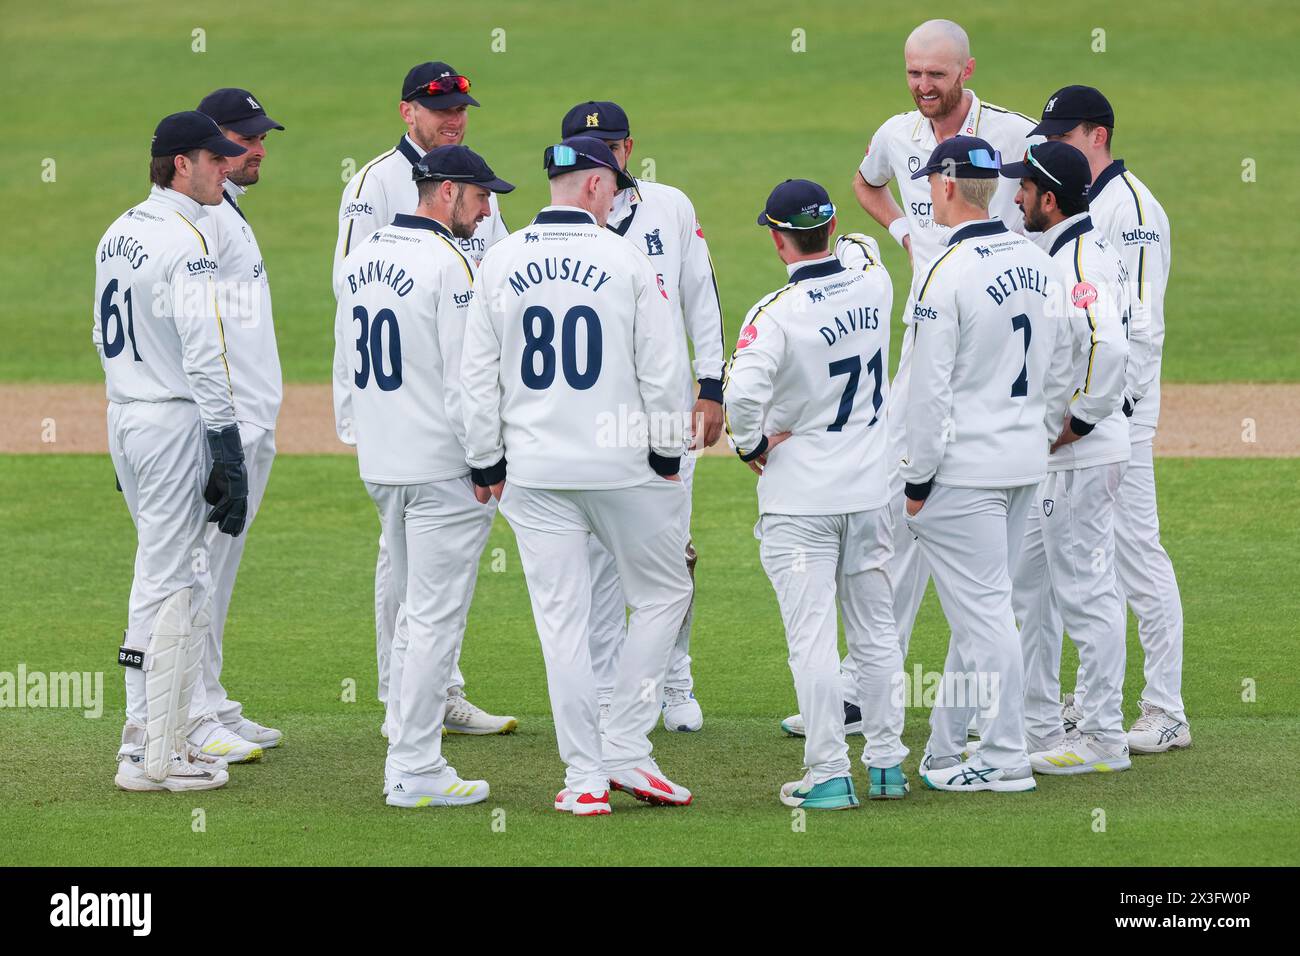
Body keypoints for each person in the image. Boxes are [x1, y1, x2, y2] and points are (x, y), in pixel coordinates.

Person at [783, 17, 1039, 738]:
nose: (924, 87)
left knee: (961, 537)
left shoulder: (1016, 135)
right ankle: (871, 689)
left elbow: (1056, 200)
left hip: (987, 346)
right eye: (914, 73)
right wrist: (904, 232)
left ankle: (1021, 720)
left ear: (967, 69)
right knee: (894, 519)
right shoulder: (897, 135)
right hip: (930, 332)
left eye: (937, 74)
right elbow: (865, 187)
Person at [460, 136, 695, 815]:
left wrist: (485, 460)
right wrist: (666, 451)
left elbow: (477, 375)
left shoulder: (501, 260)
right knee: (661, 596)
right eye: (616, 186)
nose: (620, 196)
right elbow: (662, 367)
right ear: (594, 188)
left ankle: (586, 775)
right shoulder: (624, 257)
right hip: (621, 464)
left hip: (533, 470)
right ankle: (625, 745)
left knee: (561, 624)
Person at [332, 60, 515, 737]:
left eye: (461, 106)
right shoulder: (376, 182)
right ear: (407, 111)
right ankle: (403, 701)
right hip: (424, 424)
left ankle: (430, 694)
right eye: (439, 108)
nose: (453, 116)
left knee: (427, 584)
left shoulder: (466, 199)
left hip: (407, 425)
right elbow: (352, 293)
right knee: (418, 577)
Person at [725, 180, 907, 808]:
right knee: (876, 632)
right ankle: (886, 764)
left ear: (778, 240)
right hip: (870, 489)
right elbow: (862, 245)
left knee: (813, 637)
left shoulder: (774, 314)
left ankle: (829, 771)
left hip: (802, 499)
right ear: (829, 231)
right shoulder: (874, 281)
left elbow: (742, 395)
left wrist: (751, 445)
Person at [899, 136, 1072, 793]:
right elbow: (1064, 360)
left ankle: (1004, 753)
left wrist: (917, 479)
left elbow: (927, 391)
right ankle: (946, 749)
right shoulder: (1040, 261)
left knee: (987, 611)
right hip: (1024, 459)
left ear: (946, 188)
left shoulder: (946, 273)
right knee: (984, 606)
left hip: (964, 470)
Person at [559, 101, 725, 733]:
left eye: (609, 146)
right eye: (582, 145)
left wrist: (711, 385)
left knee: (671, 552)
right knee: (600, 555)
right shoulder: (560, 222)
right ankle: (606, 686)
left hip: (667, 413)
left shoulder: (671, 208)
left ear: (627, 151)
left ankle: (672, 678)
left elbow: (699, 295)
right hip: (596, 419)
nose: (600, 156)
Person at [1032, 85, 1189, 754]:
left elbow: (1142, 323)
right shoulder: (1084, 202)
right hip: (1087, 411)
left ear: (1097, 135)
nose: (1050, 145)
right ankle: (1089, 702)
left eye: (1063, 135)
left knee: (1133, 551)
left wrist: (1110, 411)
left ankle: (1164, 707)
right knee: (1077, 554)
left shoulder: (1135, 208)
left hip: (1118, 411)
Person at [97, 111, 250, 792]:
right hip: (172, 423)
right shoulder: (188, 244)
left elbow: (102, 337)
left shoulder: (118, 232)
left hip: (126, 415)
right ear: (180, 165)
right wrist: (227, 444)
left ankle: (164, 735)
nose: (226, 168)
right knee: (167, 580)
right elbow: (206, 353)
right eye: (214, 160)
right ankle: (147, 750)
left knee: (168, 573)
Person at [1001, 142, 1135, 774]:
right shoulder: (1058, 252)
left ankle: (1104, 739)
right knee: (1029, 589)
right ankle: (1039, 727)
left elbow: (1109, 349)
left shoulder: (1077, 260)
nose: (1016, 196)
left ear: (1048, 197)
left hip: (1081, 456)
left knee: (1086, 593)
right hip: (1053, 461)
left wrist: (1074, 423)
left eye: (1024, 187)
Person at [180, 88, 286, 764]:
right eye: (244, 138)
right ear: (208, 144)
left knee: (218, 572)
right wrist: (217, 432)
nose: (257, 149)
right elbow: (192, 335)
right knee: (196, 569)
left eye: (260, 136)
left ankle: (210, 699)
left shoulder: (227, 212)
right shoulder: (199, 221)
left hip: (251, 419)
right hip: (222, 424)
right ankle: (189, 714)